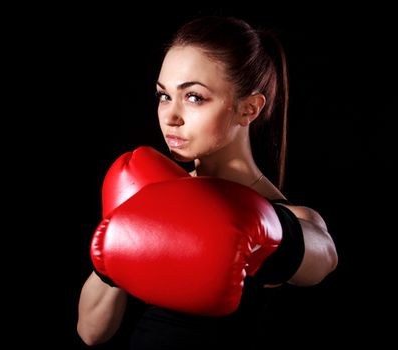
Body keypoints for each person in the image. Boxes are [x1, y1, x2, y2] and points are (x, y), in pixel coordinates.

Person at [77, 15, 338, 349]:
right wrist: (112, 247)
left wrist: (270, 234)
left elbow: (325, 257)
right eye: (163, 96)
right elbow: (91, 331)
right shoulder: (150, 193)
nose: (170, 117)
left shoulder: (279, 215)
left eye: (194, 97)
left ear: (249, 109)